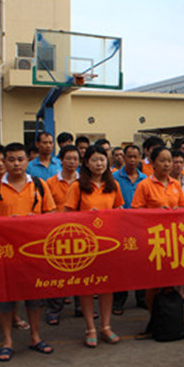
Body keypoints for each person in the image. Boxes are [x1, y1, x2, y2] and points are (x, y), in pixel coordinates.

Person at [0, 143, 56, 362]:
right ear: (4, 162)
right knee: (5, 300)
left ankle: (35, 337)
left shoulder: (38, 185)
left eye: (20, 159)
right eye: (11, 160)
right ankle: (7, 341)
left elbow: (52, 215)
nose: (16, 164)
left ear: (27, 161)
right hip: (5, 254)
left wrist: (35, 220)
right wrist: (5, 223)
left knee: (34, 299)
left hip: (34, 253)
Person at [64, 146, 123, 348]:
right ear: (86, 163)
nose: (99, 163)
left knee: (107, 285)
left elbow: (120, 209)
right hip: (85, 244)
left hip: (109, 243)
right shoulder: (77, 186)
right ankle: (90, 327)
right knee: (87, 286)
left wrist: (113, 214)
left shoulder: (113, 185)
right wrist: (86, 217)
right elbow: (66, 215)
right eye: (95, 160)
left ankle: (105, 326)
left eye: (102, 159)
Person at [132, 146, 184, 312]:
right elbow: (136, 211)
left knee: (170, 281)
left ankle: (167, 315)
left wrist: (178, 211)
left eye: (169, 161)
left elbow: (183, 208)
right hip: (153, 239)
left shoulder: (175, 184)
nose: (167, 164)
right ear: (153, 163)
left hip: (172, 238)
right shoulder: (144, 185)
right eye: (162, 161)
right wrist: (155, 213)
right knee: (154, 283)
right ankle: (154, 316)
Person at [44, 145, 82, 324]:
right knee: (57, 273)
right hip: (56, 233)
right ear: (60, 160)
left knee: (81, 271)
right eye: (68, 158)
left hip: (80, 234)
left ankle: (81, 307)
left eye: (75, 159)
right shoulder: (50, 183)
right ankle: (53, 311)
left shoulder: (84, 182)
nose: (72, 162)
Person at [112, 144, 148, 314]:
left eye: (136, 157)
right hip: (120, 228)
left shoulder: (146, 179)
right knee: (121, 267)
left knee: (141, 264)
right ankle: (118, 301)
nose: (132, 160)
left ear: (140, 158)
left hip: (140, 228)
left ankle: (142, 297)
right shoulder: (114, 178)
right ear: (124, 158)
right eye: (129, 156)